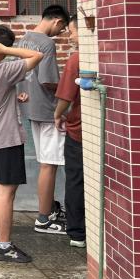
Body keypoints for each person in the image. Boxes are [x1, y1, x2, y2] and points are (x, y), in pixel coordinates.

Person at [0, 25, 44, 264]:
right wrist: (7, 50)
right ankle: (3, 246)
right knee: (5, 192)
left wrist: (13, 97)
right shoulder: (4, 70)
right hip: (6, 138)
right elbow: (37, 55)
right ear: (0, 46)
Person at [17, 4, 71, 235]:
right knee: (49, 165)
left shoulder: (24, 39)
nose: (61, 33)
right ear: (57, 21)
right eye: (62, 28)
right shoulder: (47, 43)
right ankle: (43, 218)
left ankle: (49, 210)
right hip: (48, 110)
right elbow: (48, 80)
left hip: (30, 107)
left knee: (45, 162)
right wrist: (68, 90)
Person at [54, 19, 86, 248]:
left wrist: (57, 114)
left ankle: (77, 233)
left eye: (72, 31)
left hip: (78, 130)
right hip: (102, 131)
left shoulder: (76, 59)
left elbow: (66, 96)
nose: (69, 36)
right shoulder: (106, 53)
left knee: (75, 180)